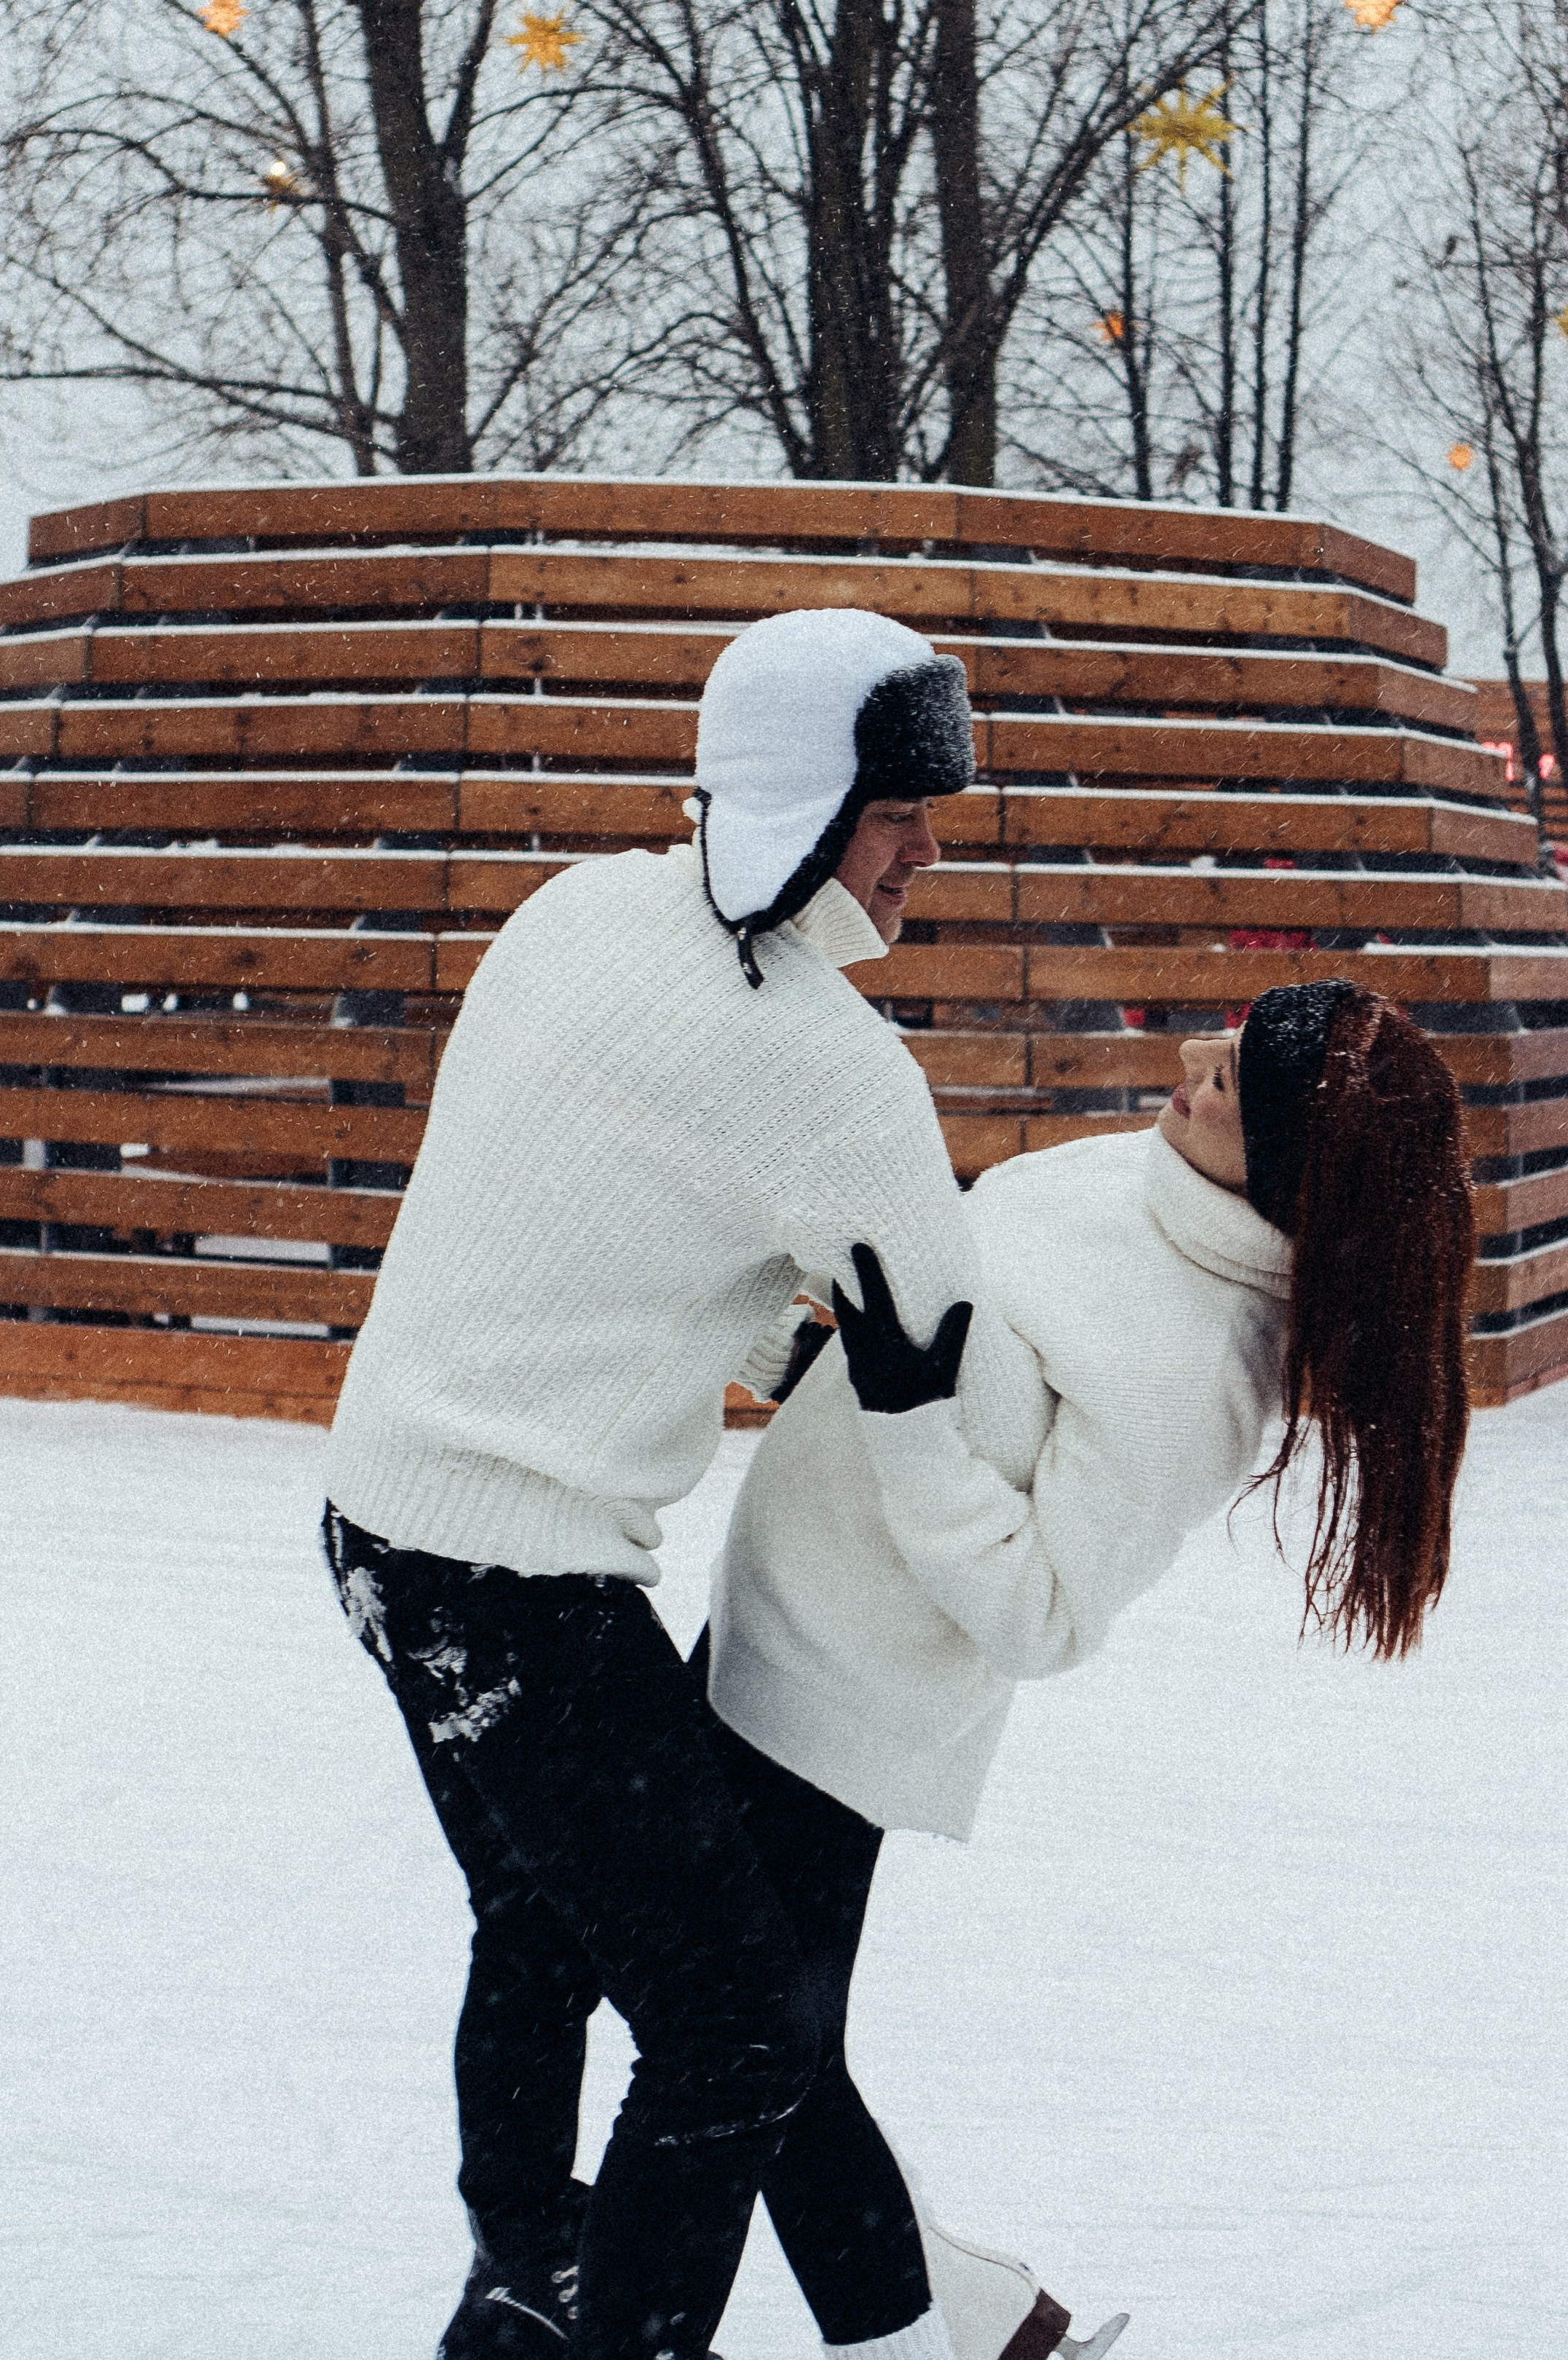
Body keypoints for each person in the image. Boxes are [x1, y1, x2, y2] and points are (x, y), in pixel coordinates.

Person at [318, 605, 1050, 2360]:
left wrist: (780, 1335)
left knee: (541, 1922)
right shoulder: (829, 1066)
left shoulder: (572, 912)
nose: (927, 853)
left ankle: (524, 2275)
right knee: (735, 2026)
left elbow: (605, 1221)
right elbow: (948, 1345)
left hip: (375, 1521)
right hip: (515, 1574)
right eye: (897, 817)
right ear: (802, 806)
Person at [700, 980, 1474, 2358]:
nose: (1190, 1055)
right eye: (1223, 1041)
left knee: (744, 2055)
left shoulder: (1200, 1363)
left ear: (1286, 1164)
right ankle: (993, 2325)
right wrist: (813, 1352)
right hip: (766, 1614)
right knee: (757, 2051)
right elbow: (959, 1358)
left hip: (839, 1702)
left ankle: (898, 2331)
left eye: (1230, 1078)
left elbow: (1042, 1612)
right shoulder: (1145, 1175)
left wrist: (903, 1424)